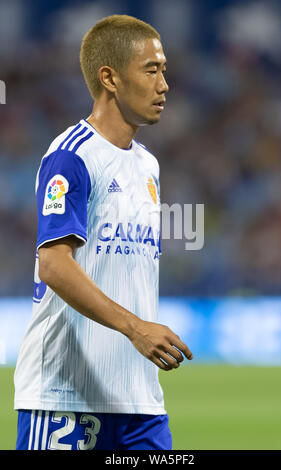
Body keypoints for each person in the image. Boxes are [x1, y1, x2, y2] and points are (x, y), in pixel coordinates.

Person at [14, 14, 193, 451]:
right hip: (65, 398)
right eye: (151, 70)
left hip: (140, 404)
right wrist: (136, 328)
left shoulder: (147, 165)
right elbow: (54, 265)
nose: (164, 84)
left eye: (164, 70)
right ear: (109, 77)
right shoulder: (71, 157)